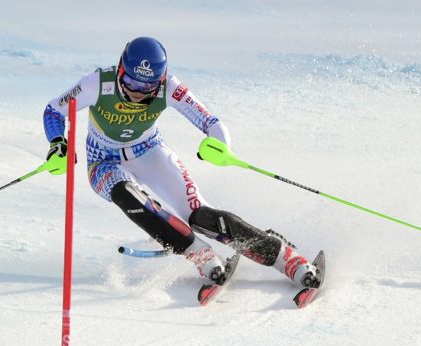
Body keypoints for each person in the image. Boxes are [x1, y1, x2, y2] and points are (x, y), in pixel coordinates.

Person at [43, 36, 318, 288]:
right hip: (103, 162)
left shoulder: (169, 88)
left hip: (149, 152)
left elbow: (210, 121)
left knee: (199, 216)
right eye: (132, 84)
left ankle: (286, 258)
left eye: (147, 86)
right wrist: (58, 143)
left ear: (160, 80)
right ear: (121, 71)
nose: (138, 93)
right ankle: (200, 255)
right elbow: (54, 110)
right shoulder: (97, 83)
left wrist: (220, 145)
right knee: (127, 196)